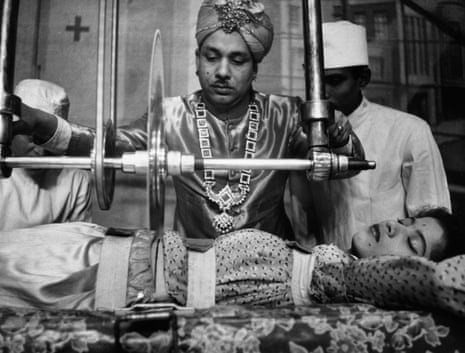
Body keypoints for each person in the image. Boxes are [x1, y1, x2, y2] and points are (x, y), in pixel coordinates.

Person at [15, 1, 364, 240]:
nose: (222, 72)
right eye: (212, 57)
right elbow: (104, 146)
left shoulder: (286, 113)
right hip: (191, 267)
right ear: (197, 60)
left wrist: (337, 136)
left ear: (256, 67)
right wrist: (40, 123)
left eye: (238, 60)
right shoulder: (170, 114)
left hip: (272, 266)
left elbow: (339, 162)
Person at [0, 206, 463, 319]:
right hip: (101, 249)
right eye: (406, 219)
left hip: (91, 279)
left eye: (414, 242)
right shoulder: (323, 257)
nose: (396, 227)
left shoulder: (345, 280)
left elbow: (441, 283)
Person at [305, 21, 451, 250]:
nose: (323, 92)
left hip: (388, 276)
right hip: (328, 272)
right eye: (315, 81)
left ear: (363, 78)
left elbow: (431, 227)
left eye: (335, 81)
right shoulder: (303, 135)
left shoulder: (409, 131)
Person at [0, 79, 92, 230]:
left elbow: (77, 243)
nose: (41, 150)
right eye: (31, 138)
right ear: (11, 130)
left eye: (49, 141)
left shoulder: (77, 180)